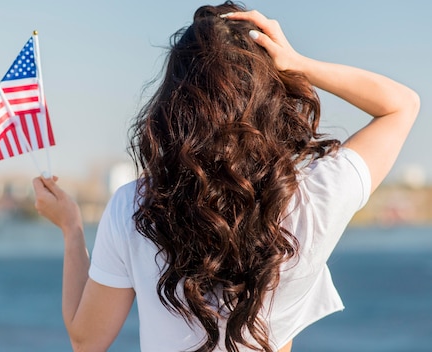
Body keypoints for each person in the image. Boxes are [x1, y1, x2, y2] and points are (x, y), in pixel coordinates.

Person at [32, 2, 420, 351]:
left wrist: (71, 228)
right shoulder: (314, 196)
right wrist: (298, 62)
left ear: (174, 103)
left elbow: (87, 340)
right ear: (270, 93)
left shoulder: (135, 207)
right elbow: (401, 105)